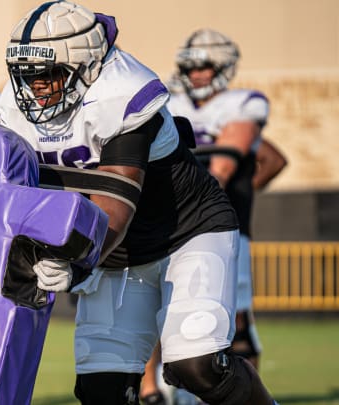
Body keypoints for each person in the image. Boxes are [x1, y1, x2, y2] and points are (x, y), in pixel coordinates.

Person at [0, 2, 277, 404]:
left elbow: (114, 206)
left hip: (186, 233)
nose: (36, 86)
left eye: (49, 73)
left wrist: (74, 263)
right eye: (27, 74)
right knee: (101, 389)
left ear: (87, 65)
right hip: (118, 253)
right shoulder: (13, 106)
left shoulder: (120, 92)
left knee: (196, 366)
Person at [140, 28, 289, 405]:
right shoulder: (171, 102)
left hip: (220, 228)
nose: (197, 73)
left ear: (223, 66)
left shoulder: (243, 104)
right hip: (167, 227)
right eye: (191, 66)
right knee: (159, 310)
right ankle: (152, 390)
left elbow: (226, 167)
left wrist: (239, 191)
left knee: (234, 320)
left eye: (205, 66)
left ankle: (236, 393)